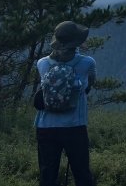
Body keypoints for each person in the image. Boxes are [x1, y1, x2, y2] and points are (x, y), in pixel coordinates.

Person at [34, 21, 96, 186]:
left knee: (47, 175)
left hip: (45, 127)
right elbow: (89, 86)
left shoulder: (42, 63)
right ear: (76, 43)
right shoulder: (88, 62)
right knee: (82, 174)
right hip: (75, 126)